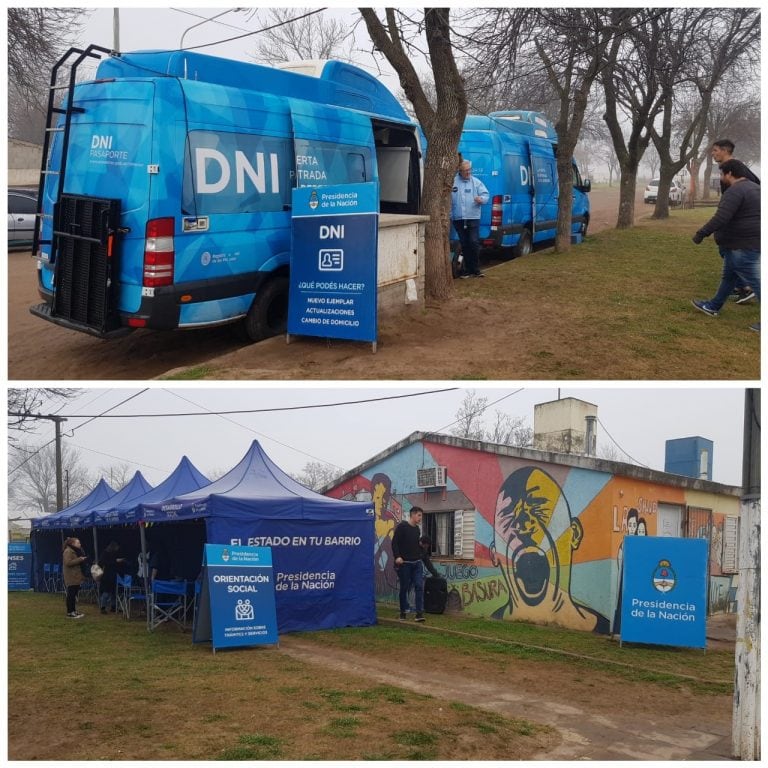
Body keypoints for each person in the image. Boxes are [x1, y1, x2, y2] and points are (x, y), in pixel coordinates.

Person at [490, 467, 609, 632]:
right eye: (508, 516)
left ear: (574, 534)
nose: (522, 524)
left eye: (537, 507)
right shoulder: (490, 622)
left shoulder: (608, 626)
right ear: (494, 553)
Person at [691, 159, 760, 332]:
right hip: (748, 243)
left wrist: (701, 233)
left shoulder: (735, 191)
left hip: (741, 245)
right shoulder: (755, 188)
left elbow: (721, 217)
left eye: (722, 174)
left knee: (756, 282)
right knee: (729, 277)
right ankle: (713, 306)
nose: (721, 177)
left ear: (729, 174)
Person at [710, 140, 760, 304]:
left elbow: (755, 184)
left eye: (715, 150)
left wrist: (743, 202)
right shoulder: (726, 167)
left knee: (730, 252)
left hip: (736, 217)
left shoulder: (735, 165)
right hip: (731, 214)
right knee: (726, 251)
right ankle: (739, 287)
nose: (713, 153)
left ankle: (746, 286)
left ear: (725, 151)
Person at [451, 160, 489, 278]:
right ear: (460, 171)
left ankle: (476, 269)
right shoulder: (453, 182)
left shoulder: (476, 182)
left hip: (473, 217)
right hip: (458, 218)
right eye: (465, 170)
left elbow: (486, 195)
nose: (468, 172)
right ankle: (467, 270)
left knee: (473, 242)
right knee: (464, 244)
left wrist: (481, 199)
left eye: (469, 170)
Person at [391, 506, 426, 622]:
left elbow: (415, 545)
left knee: (419, 586)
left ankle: (419, 613)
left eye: (421, 515)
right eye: (419, 515)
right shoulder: (402, 527)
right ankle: (403, 612)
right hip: (405, 564)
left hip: (417, 563)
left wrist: (421, 551)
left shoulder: (417, 529)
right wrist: (397, 557)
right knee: (405, 587)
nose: (420, 518)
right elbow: (394, 543)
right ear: (413, 515)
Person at [97, 541, 126, 614]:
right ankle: (103, 607)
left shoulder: (115, 553)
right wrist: (115, 561)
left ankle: (114, 606)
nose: (118, 548)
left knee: (114, 592)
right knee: (106, 592)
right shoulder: (105, 553)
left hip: (114, 575)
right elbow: (102, 563)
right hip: (107, 575)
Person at [62, 537, 88, 619]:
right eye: (78, 543)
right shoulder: (68, 551)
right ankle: (70, 612)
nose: (80, 544)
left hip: (76, 576)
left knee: (74, 595)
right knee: (71, 595)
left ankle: (74, 610)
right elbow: (68, 563)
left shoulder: (75, 551)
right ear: (73, 544)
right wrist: (80, 559)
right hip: (71, 576)